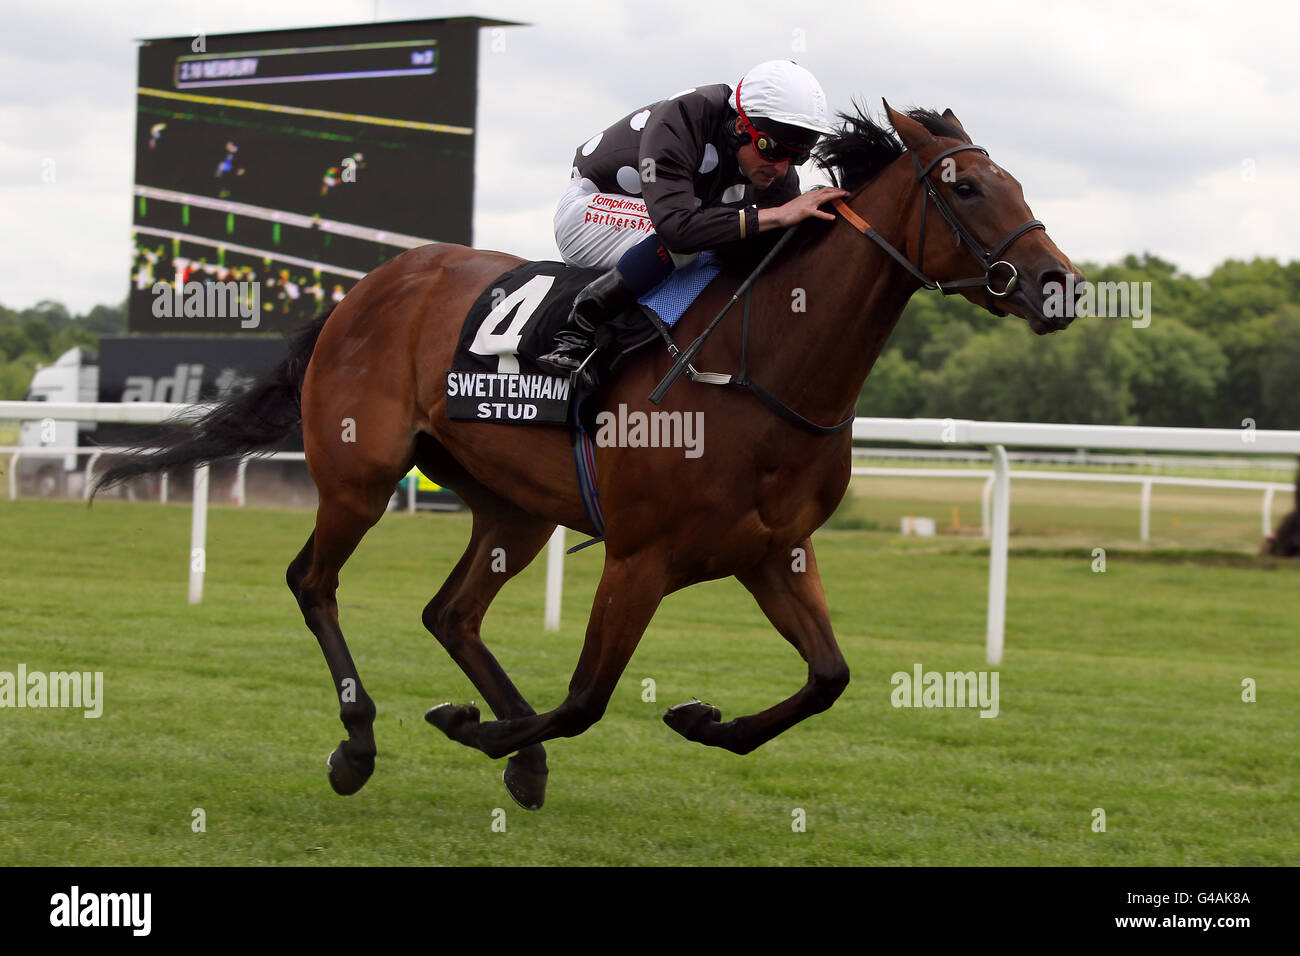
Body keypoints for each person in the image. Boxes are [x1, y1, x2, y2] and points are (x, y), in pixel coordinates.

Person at [536, 59, 849, 382]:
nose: (783, 168)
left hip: (662, 216)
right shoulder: (684, 117)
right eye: (773, 150)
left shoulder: (775, 171)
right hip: (590, 209)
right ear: (742, 127)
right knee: (695, 244)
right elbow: (677, 230)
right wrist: (774, 215)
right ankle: (578, 329)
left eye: (798, 157)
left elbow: (772, 245)